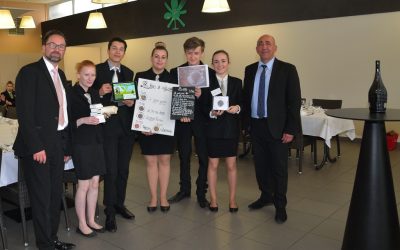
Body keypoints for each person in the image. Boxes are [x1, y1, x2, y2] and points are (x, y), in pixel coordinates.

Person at [13, 30, 75, 250]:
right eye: (52, 44)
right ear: (43, 48)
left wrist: (66, 146)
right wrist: (36, 147)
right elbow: (25, 114)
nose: (57, 49)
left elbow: (63, 113)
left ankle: (52, 238)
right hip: (38, 147)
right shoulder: (30, 72)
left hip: (58, 144)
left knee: (54, 195)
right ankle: (45, 245)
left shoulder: (62, 75)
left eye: (61, 46)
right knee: (40, 199)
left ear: (65, 51)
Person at [242, 34, 301, 224]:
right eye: (260, 43)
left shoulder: (287, 69)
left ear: (275, 47)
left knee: (278, 168)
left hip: (277, 128)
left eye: (268, 43)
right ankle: (266, 195)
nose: (264, 46)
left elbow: (293, 102)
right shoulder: (250, 70)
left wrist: (291, 129)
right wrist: (245, 125)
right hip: (256, 125)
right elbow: (245, 98)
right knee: (260, 166)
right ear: (256, 48)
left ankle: (280, 204)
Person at [92, 37, 136, 232]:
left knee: (123, 170)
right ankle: (109, 211)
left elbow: (131, 98)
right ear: (108, 50)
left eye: (121, 49)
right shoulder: (98, 70)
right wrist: (99, 92)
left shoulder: (128, 72)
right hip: (107, 127)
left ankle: (119, 204)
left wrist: (131, 102)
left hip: (126, 128)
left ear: (124, 52)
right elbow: (87, 94)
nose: (118, 52)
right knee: (110, 170)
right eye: (114, 48)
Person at [168, 37, 216, 208]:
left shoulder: (210, 73)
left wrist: (201, 95)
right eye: (189, 53)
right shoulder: (176, 72)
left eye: (196, 53)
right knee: (183, 156)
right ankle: (184, 189)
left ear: (202, 52)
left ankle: (201, 193)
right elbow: (172, 96)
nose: (193, 56)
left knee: (203, 157)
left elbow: (214, 98)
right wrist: (181, 113)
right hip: (183, 121)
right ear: (185, 53)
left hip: (202, 121)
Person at [134, 45, 174, 213]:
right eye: (156, 56)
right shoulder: (140, 76)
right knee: (151, 162)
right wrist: (143, 125)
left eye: (163, 57)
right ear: (151, 58)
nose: (159, 60)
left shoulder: (173, 77)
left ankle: (163, 196)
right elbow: (137, 103)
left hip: (166, 127)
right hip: (147, 129)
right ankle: (153, 197)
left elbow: (176, 104)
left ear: (166, 59)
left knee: (164, 161)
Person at [69, 60, 106, 237]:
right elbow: (65, 123)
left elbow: (97, 115)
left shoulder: (94, 93)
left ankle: (91, 220)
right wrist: (83, 120)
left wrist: (103, 115)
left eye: (93, 75)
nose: (90, 78)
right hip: (81, 143)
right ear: (78, 75)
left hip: (96, 142)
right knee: (83, 185)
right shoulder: (70, 94)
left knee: (94, 184)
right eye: (86, 74)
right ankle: (82, 223)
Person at [206, 50, 242, 213]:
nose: (220, 64)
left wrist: (238, 108)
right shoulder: (206, 83)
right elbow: (202, 106)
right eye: (216, 61)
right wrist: (211, 112)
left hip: (230, 130)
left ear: (229, 62)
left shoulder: (237, 82)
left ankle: (232, 199)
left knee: (231, 165)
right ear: (212, 64)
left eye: (223, 61)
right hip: (213, 129)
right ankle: (213, 199)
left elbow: (243, 103)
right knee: (212, 164)